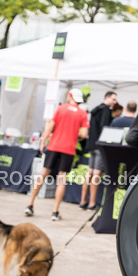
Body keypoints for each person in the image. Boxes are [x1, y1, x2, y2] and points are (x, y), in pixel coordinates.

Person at [26, 88, 89, 221]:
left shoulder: (61, 109)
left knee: (43, 174)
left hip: (54, 146)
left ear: (70, 96)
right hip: (69, 149)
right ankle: (55, 212)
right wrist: (73, 132)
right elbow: (84, 134)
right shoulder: (82, 114)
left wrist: (43, 141)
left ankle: (30, 204)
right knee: (61, 179)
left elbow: (50, 127)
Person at [79, 90, 118, 211]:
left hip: (91, 145)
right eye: (113, 99)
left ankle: (83, 201)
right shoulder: (106, 111)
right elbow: (104, 129)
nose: (115, 102)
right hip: (100, 147)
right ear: (107, 98)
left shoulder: (96, 109)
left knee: (89, 173)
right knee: (96, 174)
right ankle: (92, 203)